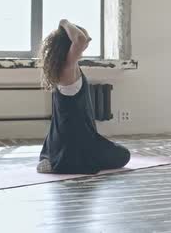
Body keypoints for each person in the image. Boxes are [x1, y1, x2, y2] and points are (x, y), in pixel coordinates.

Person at [37, 19, 130, 174]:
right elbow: (80, 40)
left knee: (113, 149)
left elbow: (81, 40)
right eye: (85, 39)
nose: (87, 41)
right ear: (71, 43)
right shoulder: (67, 67)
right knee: (124, 155)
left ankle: (52, 157)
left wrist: (82, 36)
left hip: (61, 138)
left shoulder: (67, 65)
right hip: (76, 141)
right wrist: (64, 22)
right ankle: (58, 161)